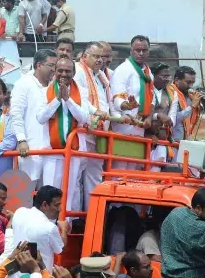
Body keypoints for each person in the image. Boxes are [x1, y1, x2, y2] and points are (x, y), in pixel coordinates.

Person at [37, 58, 88, 212]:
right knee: (50, 193)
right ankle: (50, 226)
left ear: (74, 73)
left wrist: (68, 99)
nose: (63, 74)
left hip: (73, 151)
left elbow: (84, 118)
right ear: (55, 72)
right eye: (60, 70)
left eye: (68, 71)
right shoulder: (44, 91)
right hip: (52, 151)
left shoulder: (82, 92)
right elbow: (41, 118)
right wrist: (57, 99)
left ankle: (66, 228)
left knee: (69, 193)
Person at [73, 42, 110, 210]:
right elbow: (81, 98)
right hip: (84, 129)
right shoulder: (78, 71)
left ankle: (92, 215)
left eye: (102, 57)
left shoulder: (99, 76)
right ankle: (75, 217)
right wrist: (96, 112)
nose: (100, 60)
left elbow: (106, 103)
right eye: (96, 56)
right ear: (84, 56)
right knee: (76, 175)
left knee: (94, 175)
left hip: (99, 131)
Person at [11, 49, 57, 185]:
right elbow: (16, 114)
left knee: (49, 193)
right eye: (51, 65)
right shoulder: (23, 83)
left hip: (52, 150)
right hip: (31, 148)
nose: (54, 70)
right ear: (38, 65)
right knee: (28, 191)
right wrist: (21, 140)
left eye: (55, 65)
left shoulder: (54, 86)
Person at [111, 35, 154, 170]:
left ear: (149, 52)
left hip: (140, 126)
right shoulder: (123, 70)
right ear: (131, 51)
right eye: (137, 50)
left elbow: (152, 98)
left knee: (134, 168)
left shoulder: (148, 73)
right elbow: (117, 98)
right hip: (124, 125)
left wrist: (149, 117)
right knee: (120, 168)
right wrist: (127, 106)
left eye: (144, 50)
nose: (140, 53)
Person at [12, 185, 67, 272]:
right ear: (44, 205)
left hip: (15, 273)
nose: (59, 209)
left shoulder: (19, 212)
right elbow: (61, 250)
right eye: (57, 205)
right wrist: (64, 229)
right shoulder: (50, 228)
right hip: (38, 274)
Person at [169, 66, 202, 145]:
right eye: (188, 82)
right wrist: (192, 107)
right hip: (171, 141)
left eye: (192, 83)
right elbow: (174, 119)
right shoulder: (170, 93)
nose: (191, 86)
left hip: (184, 141)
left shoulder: (190, 96)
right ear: (177, 80)